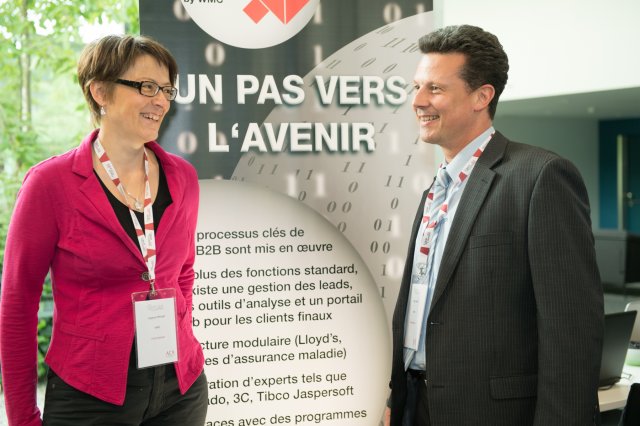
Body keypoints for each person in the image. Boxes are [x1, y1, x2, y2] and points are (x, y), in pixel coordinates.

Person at [384, 25, 603, 425]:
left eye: (435, 88)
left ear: (482, 96)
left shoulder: (540, 177)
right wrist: (396, 397)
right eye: (416, 87)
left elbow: (571, 331)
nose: (417, 101)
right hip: (417, 404)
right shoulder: (436, 189)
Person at [0, 35, 207, 425]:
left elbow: (183, 272)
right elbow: (17, 305)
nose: (161, 101)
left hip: (181, 391)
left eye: (166, 90)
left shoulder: (183, 178)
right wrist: (22, 417)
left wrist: (181, 333)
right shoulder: (50, 184)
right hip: (89, 396)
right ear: (100, 92)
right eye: (146, 86)